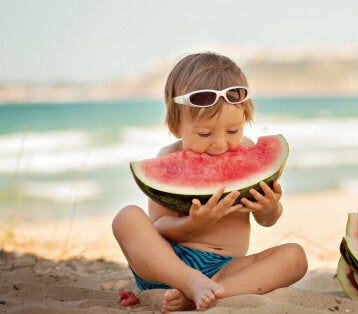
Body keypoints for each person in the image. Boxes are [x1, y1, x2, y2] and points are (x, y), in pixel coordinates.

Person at [112, 52, 308, 312]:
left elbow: (267, 220)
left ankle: (213, 292)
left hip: (226, 269)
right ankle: (191, 283)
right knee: (126, 218)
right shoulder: (167, 157)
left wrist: (269, 208)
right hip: (168, 267)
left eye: (232, 131)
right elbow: (160, 226)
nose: (219, 144)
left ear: (245, 118)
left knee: (295, 257)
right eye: (204, 133)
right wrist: (194, 224)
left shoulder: (248, 151)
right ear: (175, 126)